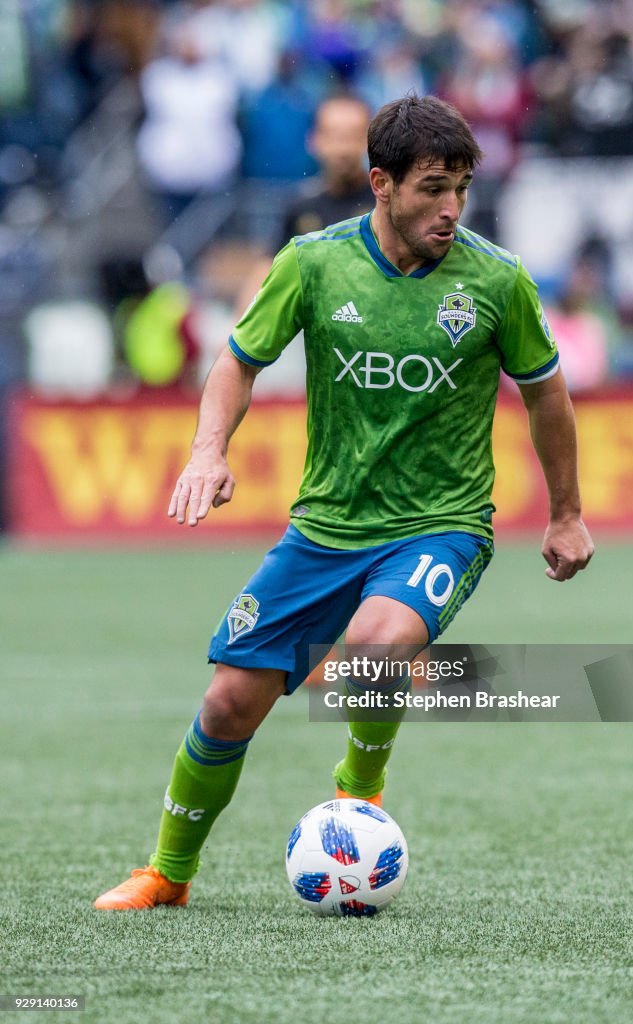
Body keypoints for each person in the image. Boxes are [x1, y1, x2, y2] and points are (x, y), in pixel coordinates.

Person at [94, 95, 594, 911]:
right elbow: (236, 361)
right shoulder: (313, 262)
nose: (450, 208)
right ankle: (167, 875)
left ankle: (360, 787)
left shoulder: (496, 279)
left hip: (441, 524)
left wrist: (566, 512)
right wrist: (207, 451)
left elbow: (547, 395)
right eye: (432, 187)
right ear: (380, 183)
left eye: (461, 188)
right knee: (226, 702)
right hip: (325, 527)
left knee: (375, 642)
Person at [275, 93, 374, 248]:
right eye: (334, 136)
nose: (344, 149)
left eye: (353, 136)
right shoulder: (301, 207)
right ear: (314, 139)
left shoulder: (385, 205)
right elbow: (270, 266)